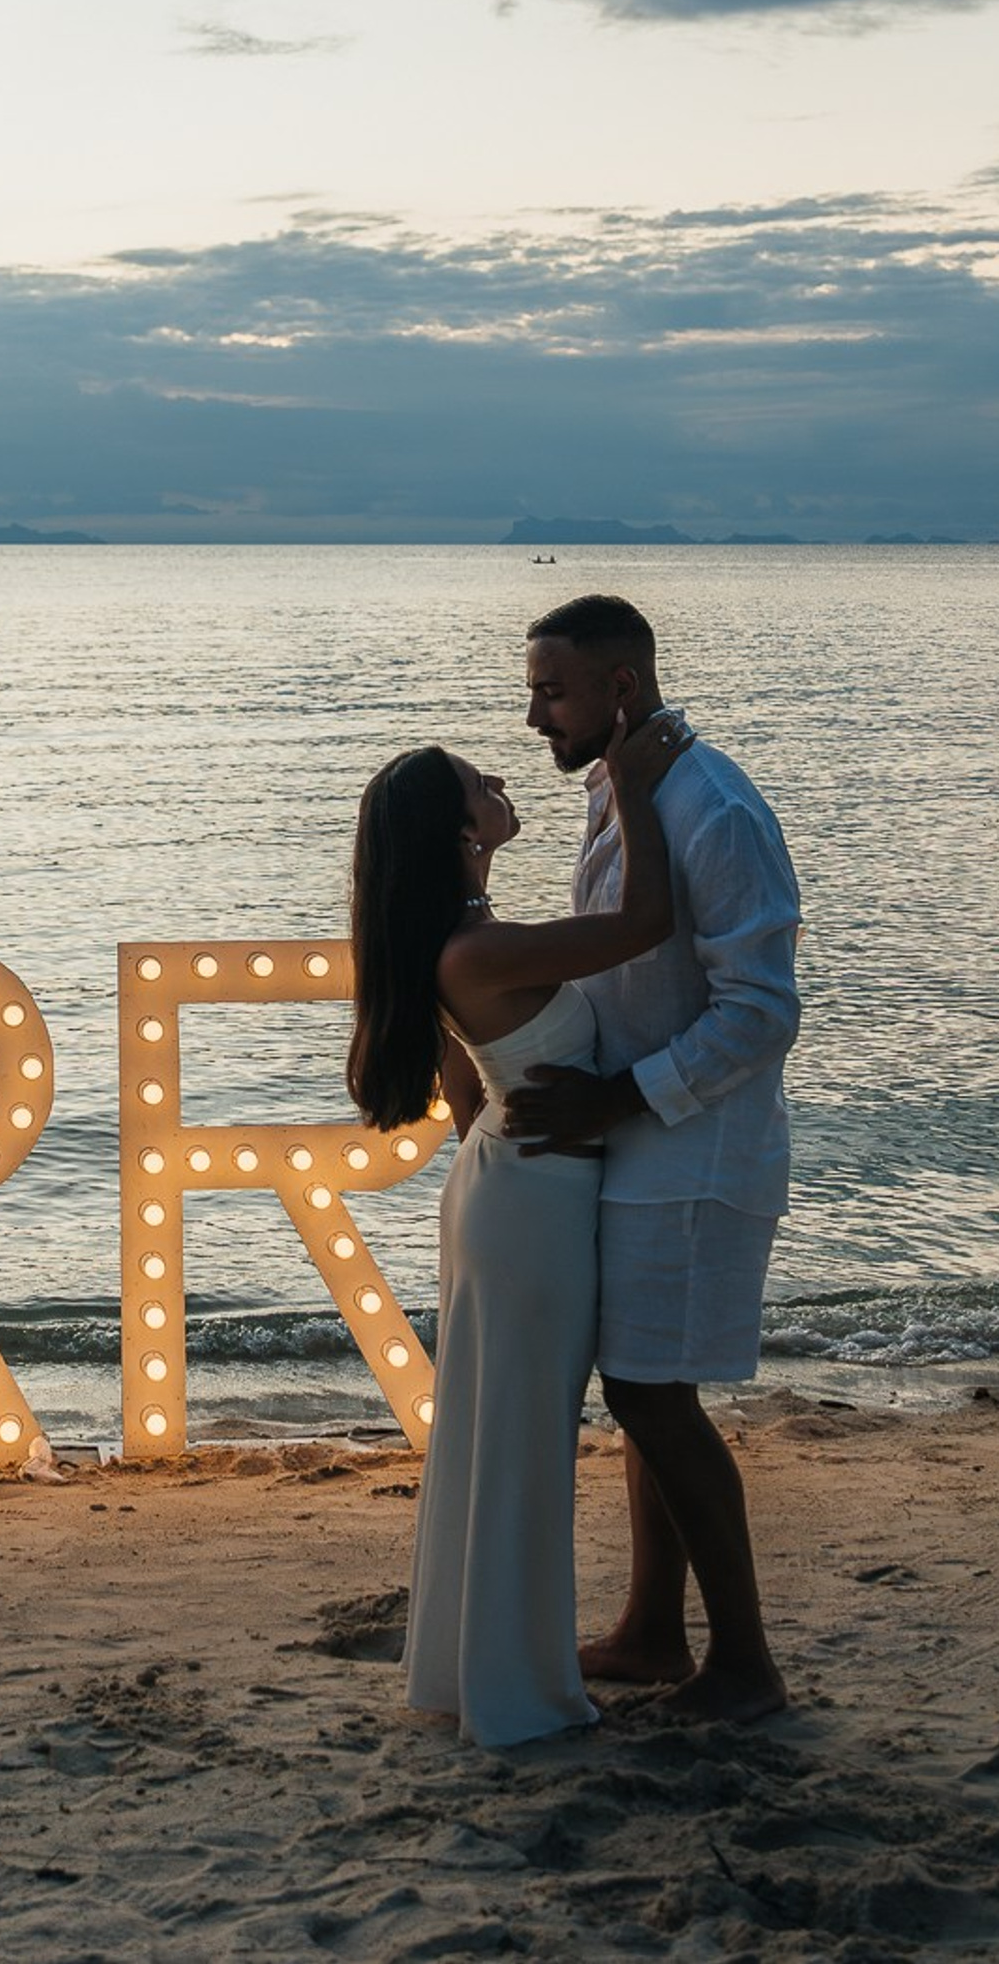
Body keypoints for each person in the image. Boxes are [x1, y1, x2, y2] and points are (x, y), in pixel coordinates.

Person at [346, 707, 690, 1748]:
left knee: (498, 1438)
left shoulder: (455, 942)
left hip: (507, 1188)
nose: (500, 778)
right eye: (477, 780)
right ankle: (515, 1692)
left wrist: (509, 1146)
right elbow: (645, 925)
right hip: (528, 1203)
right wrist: (631, 789)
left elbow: (464, 1094)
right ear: (460, 829)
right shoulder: (477, 948)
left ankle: (482, 1668)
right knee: (522, 1442)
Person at [503, 594, 800, 1724]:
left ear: (619, 688)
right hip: (641, 1144)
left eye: (551, 689)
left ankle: (745, 1662)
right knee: (644, 1392)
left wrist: (619, 1098)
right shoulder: (625, 791)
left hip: (692, 1149)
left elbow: (761, 1009)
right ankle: (651, 1628)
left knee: (650, 1396)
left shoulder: (710, 806)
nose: (533, 713)